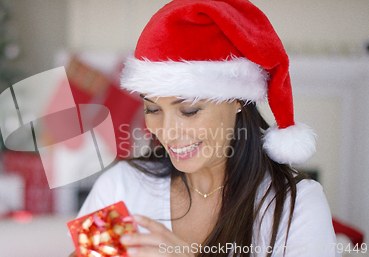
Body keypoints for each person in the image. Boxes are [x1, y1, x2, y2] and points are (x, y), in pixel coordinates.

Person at [70, 0, 338, 256]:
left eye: (189, 111)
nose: (168, 132)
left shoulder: (296, 205)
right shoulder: (122, 185)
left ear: (237, 101)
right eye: (153, 110)